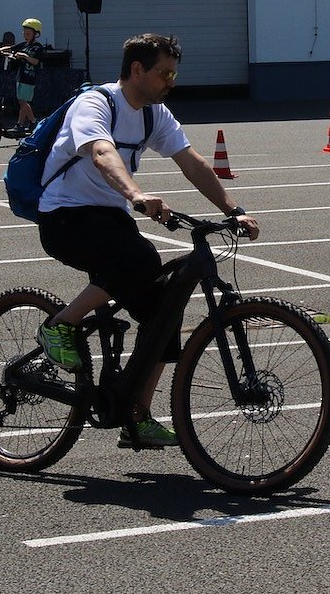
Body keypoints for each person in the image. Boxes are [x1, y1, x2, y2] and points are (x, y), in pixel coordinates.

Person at [34, 33, 260, 449]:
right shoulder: (96, 104)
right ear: (137, 70)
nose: (171, 81)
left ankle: (137, 416)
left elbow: (192, 162)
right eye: (164, 73)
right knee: (138, 257)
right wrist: (136, 194)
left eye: (174, 74)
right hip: (64, 215)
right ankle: (59, 325)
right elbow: (102, 153)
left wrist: (234, 210)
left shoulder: (155, 114)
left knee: (164, 309)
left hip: (109, 217)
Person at [0, 18, 45, 131]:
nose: (25, 36)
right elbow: (11, 48)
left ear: (35, 34)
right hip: (21, 76)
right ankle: (20, 125)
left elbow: (36, 61)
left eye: (28, 34)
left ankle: (33, 121)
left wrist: (24, 56)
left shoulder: (37, 47)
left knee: (22, 102)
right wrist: (0, 50)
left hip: (29, 77)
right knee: (22, 102)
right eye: (24, 33)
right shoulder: (24, 45)